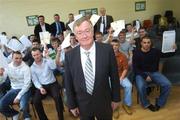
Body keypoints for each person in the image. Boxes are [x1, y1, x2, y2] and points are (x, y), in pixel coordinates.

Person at [64, 17, 120, 120]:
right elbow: (68, 82)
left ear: (93, 31)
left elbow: (114, 76)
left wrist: (116, 99)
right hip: (82, 104)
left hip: (104, 102)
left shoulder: (107, 50)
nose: (84, 36)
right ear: (75, 36)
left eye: (87, 31)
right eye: (79, 33)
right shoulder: (69, 55)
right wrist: (72, 104)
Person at [133, 36, 175, 112]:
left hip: (154, 72)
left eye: (148, 42)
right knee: (141, 86)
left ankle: (160, 103)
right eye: (144, 42)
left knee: (167, 84)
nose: (146, 44)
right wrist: (145, 76)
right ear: (141, 43)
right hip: (141, 73)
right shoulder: (136, 53)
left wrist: (174, 49)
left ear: (151, 43)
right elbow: (135, 68)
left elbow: (167, 55)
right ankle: (146, 104)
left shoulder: (155, 51)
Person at [31, 47, 64, 120]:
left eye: (37, 54)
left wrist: (48, 57)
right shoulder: (32, 67)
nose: (36, 56)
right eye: (34, 55)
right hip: (42, 86)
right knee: (35, 101)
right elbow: (35, 80)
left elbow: (54, 67)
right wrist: (40, 88)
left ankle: (61, 118)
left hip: (52, 84)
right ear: (32, 56)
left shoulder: (47, 60)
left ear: (41, 54)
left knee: (57, 97)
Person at [0, 51, 31, 120]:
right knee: (1, 105)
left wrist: (18, 97)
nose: (19, 60)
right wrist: (1, 75)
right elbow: (2, 80)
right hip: (14, 89)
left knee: (23, 106)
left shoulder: (26, 68)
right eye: (16, 58)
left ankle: (27, 116)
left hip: (25, 89)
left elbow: (27, 85)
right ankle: (15, 113)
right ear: (12, 58)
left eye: (20, 58)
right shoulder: (8, 67)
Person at [111, 39, 133, 115]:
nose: (114, 47)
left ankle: (126, 104)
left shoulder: (123, 56)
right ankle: (114, 107)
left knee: (129, 86)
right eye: (112, 45)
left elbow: (125, 68)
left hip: (120, 75)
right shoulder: (106, 56)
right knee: (111, 87)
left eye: (116, 45)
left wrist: (121, 78)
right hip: (109, 77)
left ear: (119, 46)